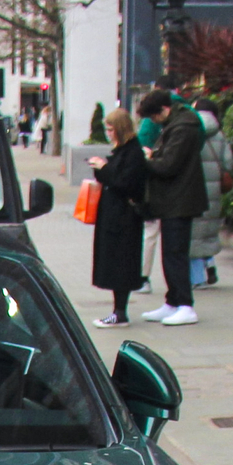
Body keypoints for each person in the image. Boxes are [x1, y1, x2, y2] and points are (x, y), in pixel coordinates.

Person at [138, 89, 206, 325]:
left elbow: (168, 165)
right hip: (176, 198)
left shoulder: (182, 127)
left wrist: (148, 159)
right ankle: (173, 301)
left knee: (175, 254)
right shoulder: (180, 124)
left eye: (154, 117)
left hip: (179, 199)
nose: (154, 122)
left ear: (164, 110)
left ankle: (185, 304)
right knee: (171, 253)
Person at [86, 104, 148, 328]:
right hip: (115, 215)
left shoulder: (133, 153)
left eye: (111, 129)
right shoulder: (124, 151)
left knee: (121, 262)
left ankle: (120, 311)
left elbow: (124, 182)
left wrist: (104, 167)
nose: (109, 133)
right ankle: (118, 310)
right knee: (114, 261)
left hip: (125, 217)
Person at [187, 93, 233, 289]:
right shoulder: (220, 135)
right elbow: (229, 163)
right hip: (214, 190)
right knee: (207, 231)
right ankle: (210, 263)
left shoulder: (191, 131)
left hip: (193, 189)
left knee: (192, 235)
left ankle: (197, 279)